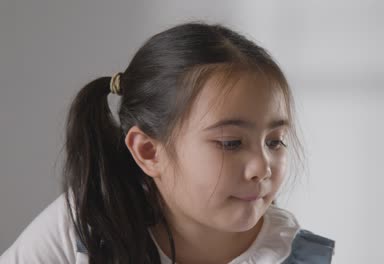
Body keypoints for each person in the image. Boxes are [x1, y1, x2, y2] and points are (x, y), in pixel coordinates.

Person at [0, 22, 335, 264]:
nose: (262, 167)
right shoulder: (84, 224)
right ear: (148, 152)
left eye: (275, 142)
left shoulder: (294, 256)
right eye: (232, 143)